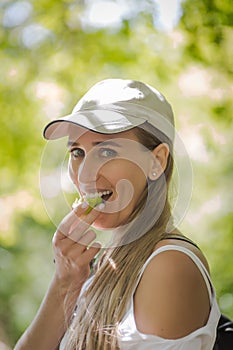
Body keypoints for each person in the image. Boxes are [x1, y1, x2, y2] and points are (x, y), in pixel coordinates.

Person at [15, 79, 221, 350]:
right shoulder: (102, 267)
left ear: (156, 161)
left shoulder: (168, 265)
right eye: (77, 152)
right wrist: (64, 282)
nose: (85, 174)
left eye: (107, 151)